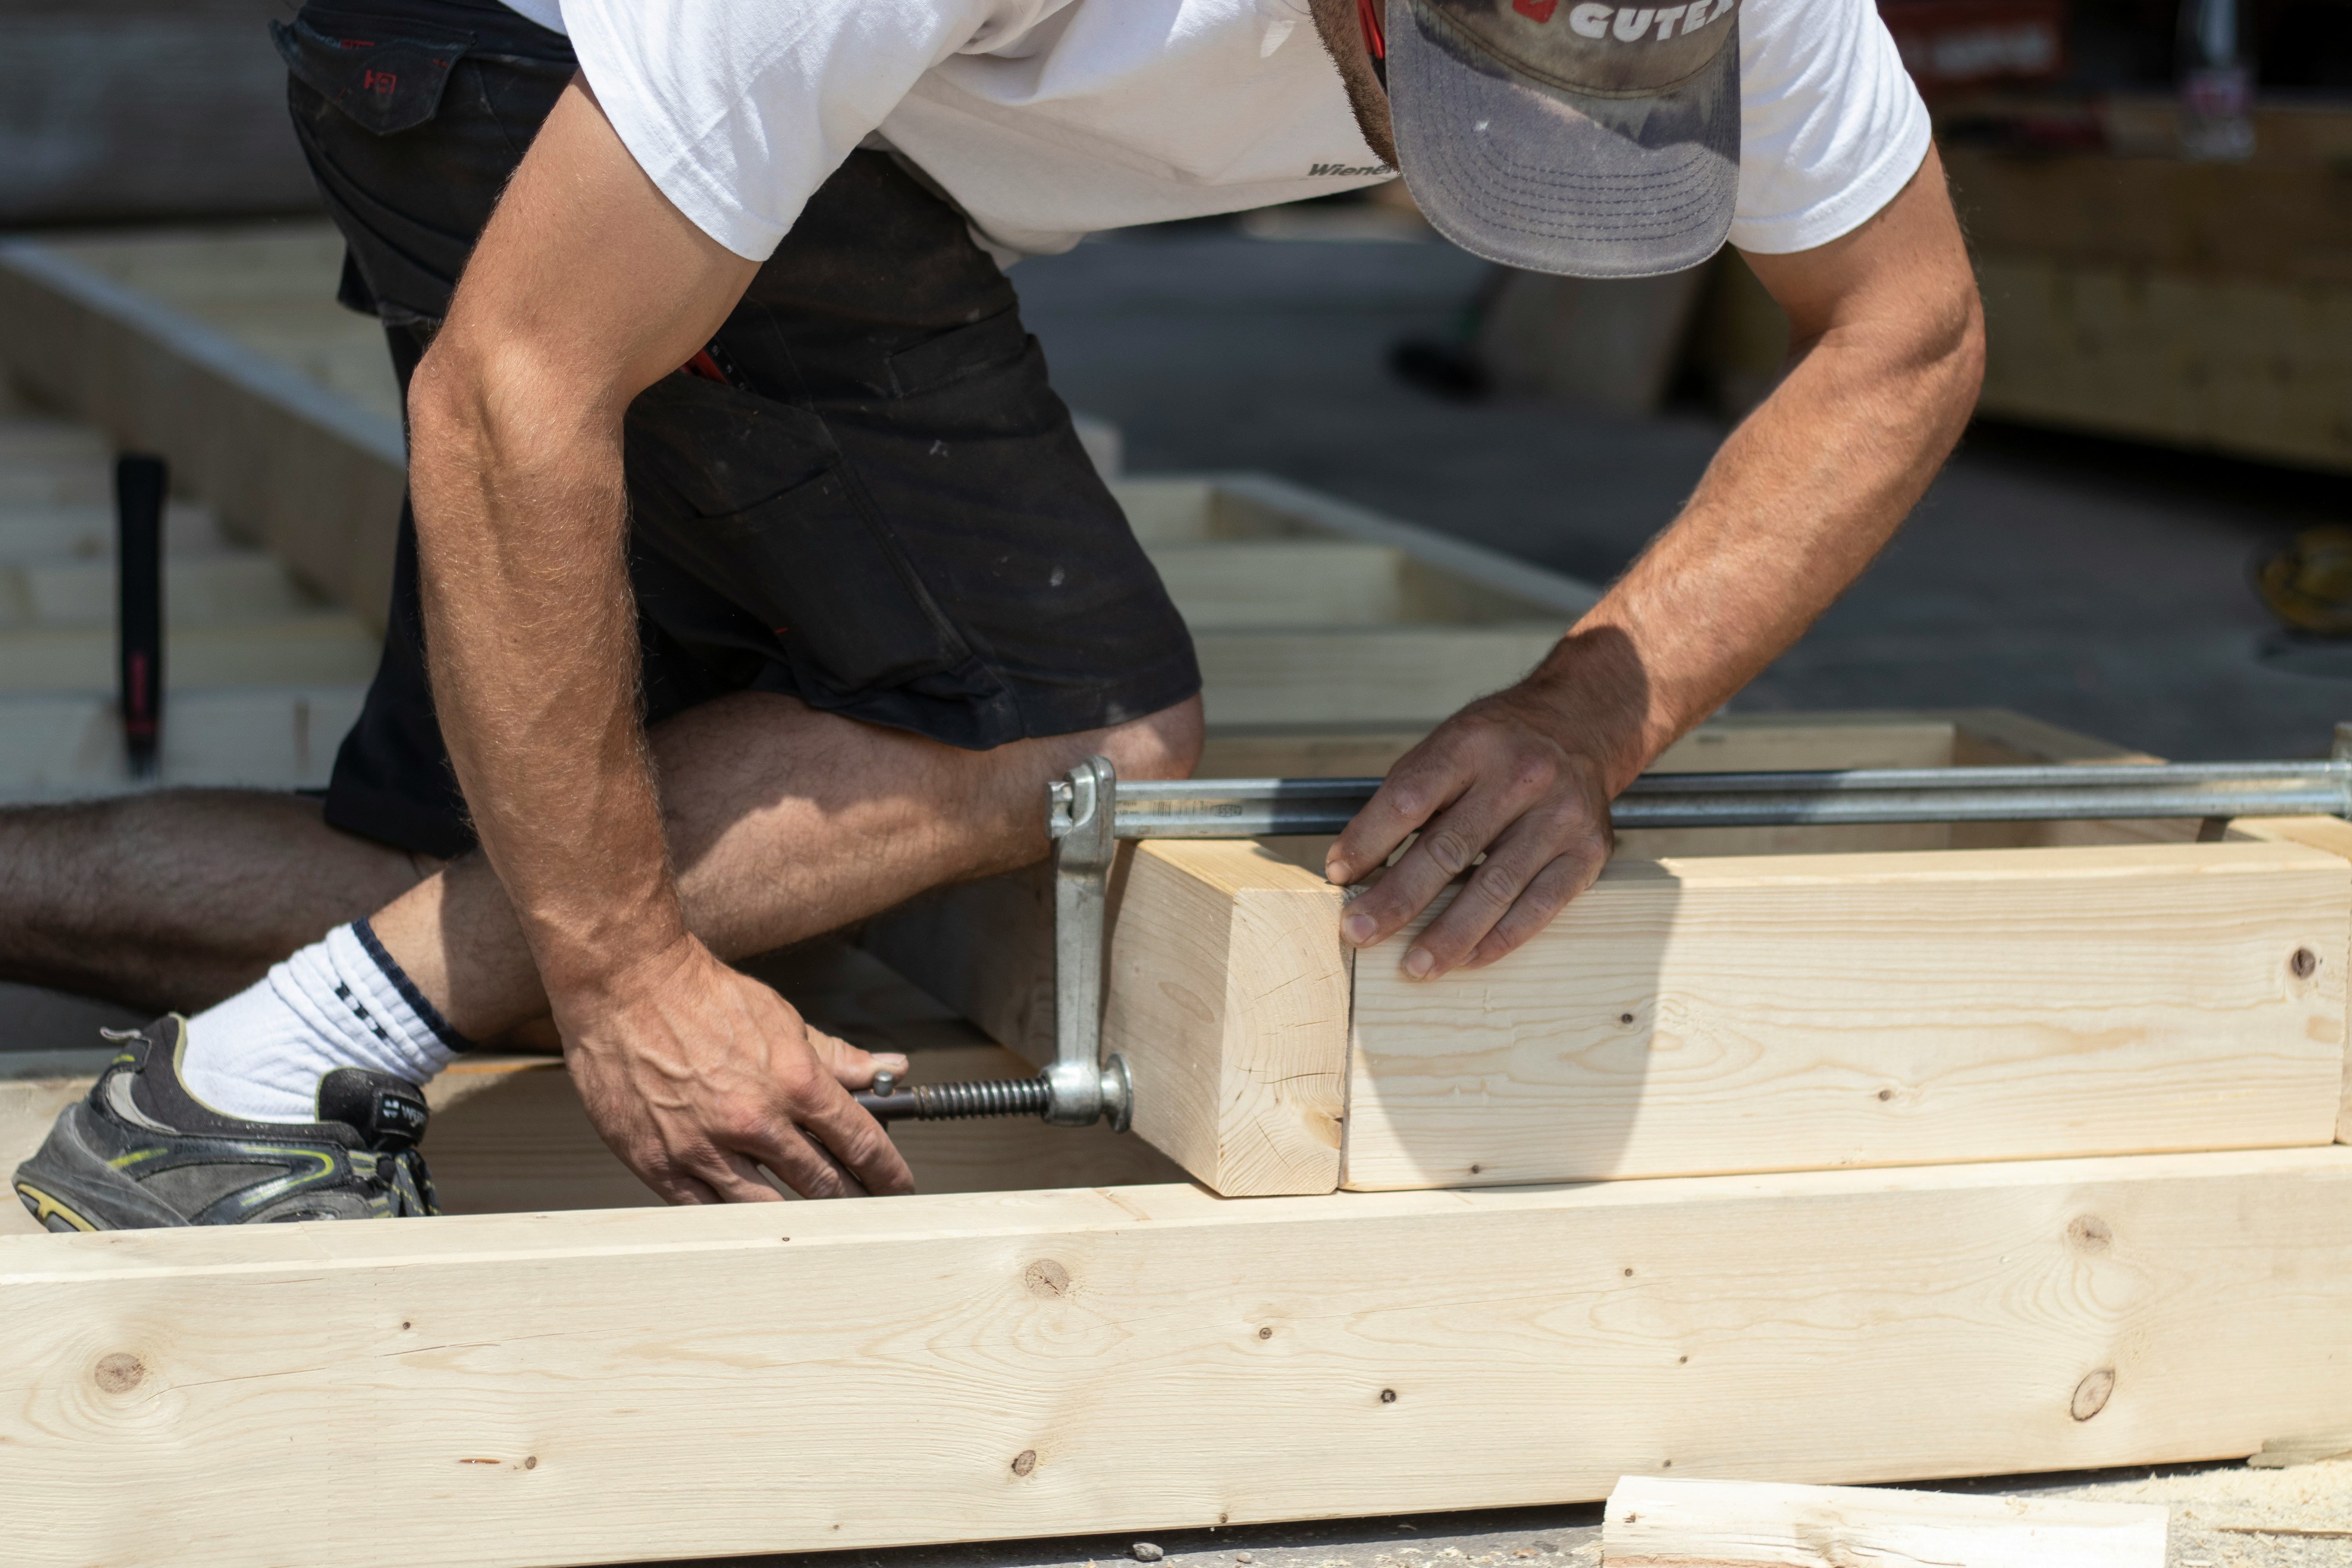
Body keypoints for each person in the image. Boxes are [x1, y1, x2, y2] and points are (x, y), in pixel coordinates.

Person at [5, 0, 1982, 1229]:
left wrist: (1589, 716)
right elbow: (513, 388)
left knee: (480, 861)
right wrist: (624, 985)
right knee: (1061, 729)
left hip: (783, 123)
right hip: (531, 53)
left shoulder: (1742, 8)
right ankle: (242, 1094)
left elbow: (1910, 326)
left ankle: (302, 1001)